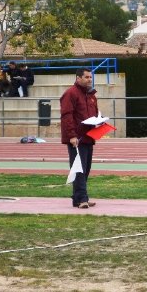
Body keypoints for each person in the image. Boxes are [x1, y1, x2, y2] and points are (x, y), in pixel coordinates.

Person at [61, 68, 100, 209]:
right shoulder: (71, 93)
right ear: (78, 78)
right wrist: (72, 135)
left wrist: (99, 122)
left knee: (86, 168)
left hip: (89, 137)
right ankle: (82, 198)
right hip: (77, 138)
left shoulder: (91, 95)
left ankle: (78, 199)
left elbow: (94, 114)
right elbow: (67, 116)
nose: (90, 79)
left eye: (91, 77)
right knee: (79, 169)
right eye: (87, 77)